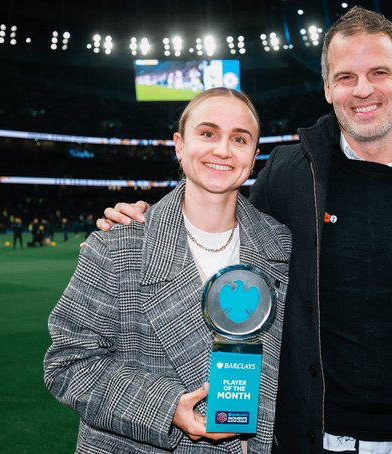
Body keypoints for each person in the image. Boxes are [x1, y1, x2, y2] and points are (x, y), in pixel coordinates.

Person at [99, 7, 392, 454]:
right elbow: (228, 241)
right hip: (310, 437)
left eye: (379, 72)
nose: (363, 89)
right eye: (346, 77)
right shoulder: (290, 172)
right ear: (328, 87)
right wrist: (149, 221)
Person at [44, 87, 292, 453]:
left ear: (254, 156)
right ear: (179, 144)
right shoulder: (118, 244)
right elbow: (67, 364)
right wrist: (168, 407)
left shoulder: (281, 246)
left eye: (239, 139)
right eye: (207, 133)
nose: (222, 150)